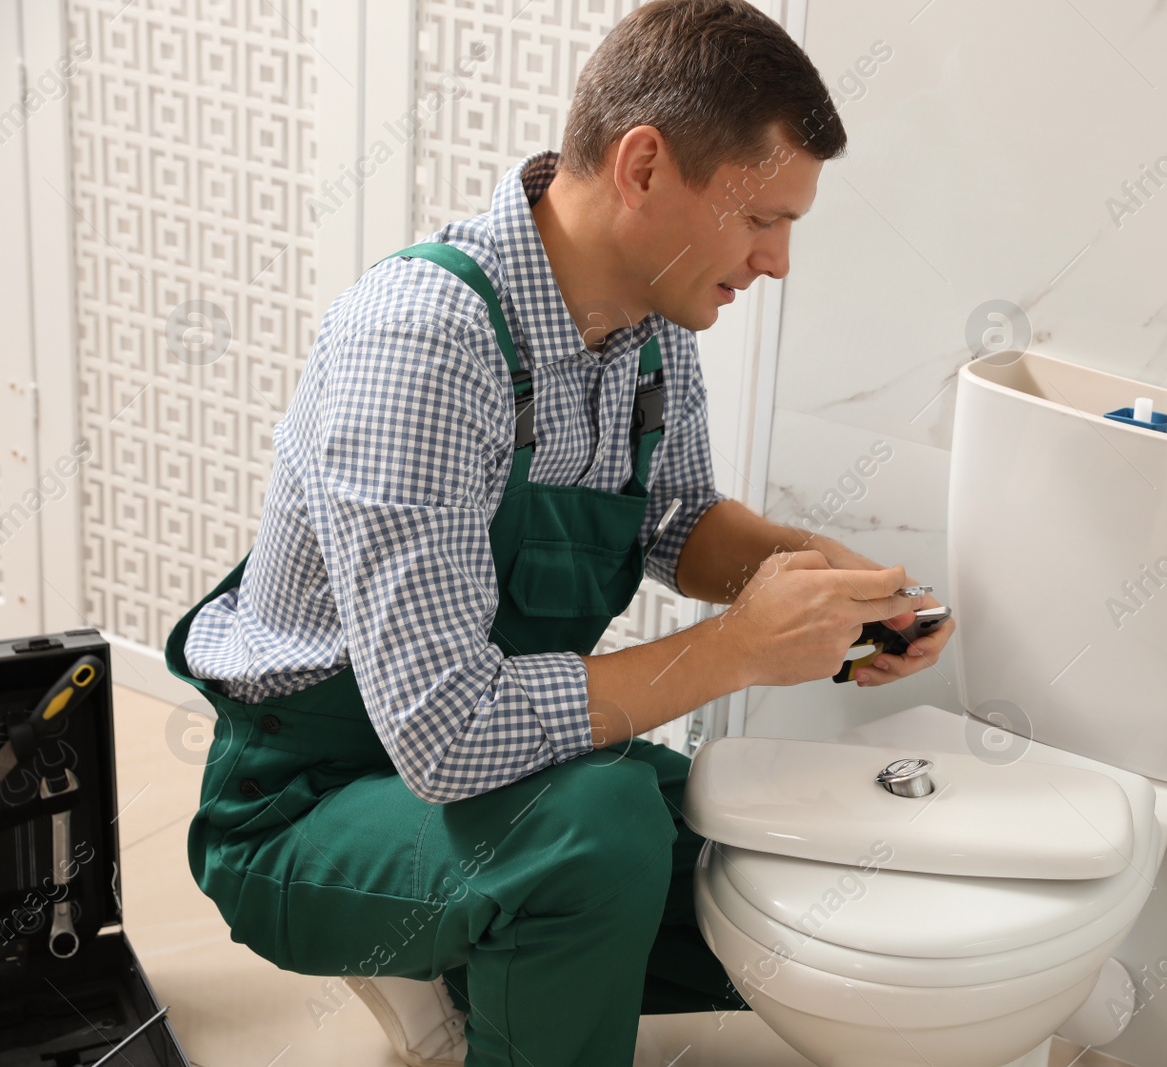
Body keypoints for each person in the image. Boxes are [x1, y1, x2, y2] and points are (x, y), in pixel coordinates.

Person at [162, 1, 954, 1064]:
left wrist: (820, 585)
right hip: (309, 805)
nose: (777, 262)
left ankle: (462, 941)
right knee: (599, 831)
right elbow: (442, 733)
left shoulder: (648, 325)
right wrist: (734, 649)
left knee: (767, 878)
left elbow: (678, 522)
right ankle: (442, 924)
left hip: (488, 774)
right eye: (763, 216)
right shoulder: (423, 346)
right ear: (642, 167)